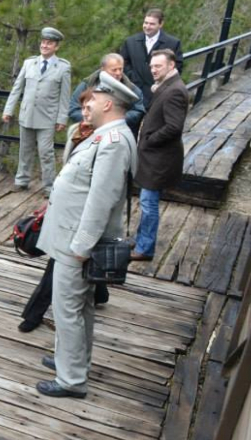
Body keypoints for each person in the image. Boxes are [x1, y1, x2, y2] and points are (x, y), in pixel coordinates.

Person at [35, 72, 138, 398]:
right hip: (70, 238)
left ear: (108, 103)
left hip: (76, 243)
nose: (86, 105)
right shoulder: (103, 135)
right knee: (81, 307)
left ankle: (72, 380)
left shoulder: (113, 142)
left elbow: (101, 200)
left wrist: (82, 246)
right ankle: (72, 361)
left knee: (68, 309)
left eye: (91, 100)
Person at [19, 89, 109, 333]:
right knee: (64, 262)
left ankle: (33, 314)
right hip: (65, 207)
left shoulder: (108, 142)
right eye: (83, 108)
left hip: (81, 215)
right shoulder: (76, 131)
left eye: (90, 108)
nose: (85, 113)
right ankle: (101, 291)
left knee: (57, 263)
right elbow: (68, 168)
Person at [131, 49, 189, 262]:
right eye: (152, 66)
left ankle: (145, 248)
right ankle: (141, 241)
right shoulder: (167, 86)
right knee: (147, 202)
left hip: (159, 159)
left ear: (171, 66)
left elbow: (174, 127)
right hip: (155, 157)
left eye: (158, 66)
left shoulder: (175, 91)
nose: (153, 70)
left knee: (148, 203)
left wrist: (149, 140)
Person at [2, 27, 71, 196]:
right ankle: (21, 181)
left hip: (47, 117)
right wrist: (8, 110)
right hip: (27, 115)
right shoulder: (29, 63)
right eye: (43, 42)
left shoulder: (63, 68)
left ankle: (49, 187)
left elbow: (65, 96)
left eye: (49, 43)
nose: (45, 45)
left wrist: (62, 119)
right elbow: (17, 88)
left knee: (46, 153)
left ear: (56, 47)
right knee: (24, 150)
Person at [69, 53, 145, 136]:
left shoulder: (132, 89)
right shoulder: (87, 85)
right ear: (103, 69)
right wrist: (92, 119)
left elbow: (138, 110)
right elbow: (73, 108)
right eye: (114, 70)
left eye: (121, 69)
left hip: (119, 133)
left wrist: (117, 120)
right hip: (89, 132)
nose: (118, 73)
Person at [120, 8, 183, 105]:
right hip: (134, 92)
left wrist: (160, 83)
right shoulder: (130, 41)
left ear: (161, 24)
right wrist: (133, 77)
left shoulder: (173, 43)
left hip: (159, 94)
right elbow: (123, 62)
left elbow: (177, 66)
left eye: (152, 24)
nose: (147, 27)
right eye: (145, 23)